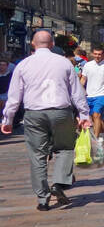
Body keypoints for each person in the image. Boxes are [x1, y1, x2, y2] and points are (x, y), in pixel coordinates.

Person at [1, 30, 92, 210]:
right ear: (52, 45)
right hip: (60, 111)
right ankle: (59, 183)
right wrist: (83, 115)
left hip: (34, 113)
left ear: (33, 44)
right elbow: (76, 92)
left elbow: (14, 96)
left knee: (37, 155)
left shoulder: (23, 65)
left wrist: (8, 119)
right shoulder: (64, 63)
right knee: (65, 148)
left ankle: (43, 198)